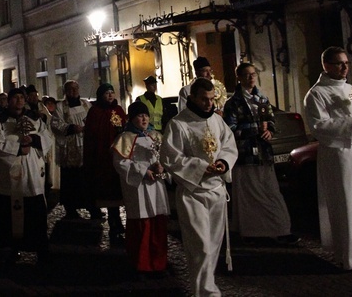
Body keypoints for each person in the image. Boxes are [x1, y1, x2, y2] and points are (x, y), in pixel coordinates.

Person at [303, 46, 352, 272]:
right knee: (346, 204)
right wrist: (350, 124)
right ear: (326, 65)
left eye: (346, 62)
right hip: (339, 153)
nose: (345, 67)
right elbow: (318, 126)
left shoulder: (350, 87)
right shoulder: (317, 93)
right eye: (339, 63)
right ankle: (349, 258)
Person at [161, 77, 238, 296]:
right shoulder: (178, 124)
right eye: (204, 99)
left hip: (216, 191)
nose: (209, 104)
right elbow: (170, 158)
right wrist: (202, 167)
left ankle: (206, 288)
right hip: (192, 193)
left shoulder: (217, 121)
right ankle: (203, 291)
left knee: (213, 246)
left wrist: (223, 163)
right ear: (192, 97)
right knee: (200, 247)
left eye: (212, 99)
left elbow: (228, 146)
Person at [223, 62, 298, 244]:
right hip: (246, 154)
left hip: (264, 153)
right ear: (239, 78)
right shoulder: (233, 103)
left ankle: (279, 228)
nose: (251, 77)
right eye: (247, 75)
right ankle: (252, 231)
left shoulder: (262, 98)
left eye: (253, 74)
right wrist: (254, 130)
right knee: (249, 194)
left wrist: (269, 130)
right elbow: (230, 128)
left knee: (271, 191)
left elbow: (270, 119)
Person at [0, 88, 53, 262]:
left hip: (31, 173)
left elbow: (47, 136)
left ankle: (40, 249)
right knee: (9, 215)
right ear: (8, 101)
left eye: (21, 98)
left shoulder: (35, 118)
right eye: (15, 98)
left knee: (35, 213)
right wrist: (18, 146)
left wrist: (34, 140)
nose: (19, 101)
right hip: (9, 175)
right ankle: (11, 249)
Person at [112, 101, 170, 278]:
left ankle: (159, 262)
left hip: (157, 186)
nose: (144, 118)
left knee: (158, 222)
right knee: (142, 224)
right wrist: (143, 171)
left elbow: (167, 156)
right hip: (139, 187)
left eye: (145, 115)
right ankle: (142, 264)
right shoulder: (125, 138)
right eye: (139, 115)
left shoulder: (155, 135)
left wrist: (163, 168)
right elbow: (120, 162)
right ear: (132, 118)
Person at [84, 83, 127, 234]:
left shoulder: (119, 110)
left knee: (117, 189)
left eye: (112, 92)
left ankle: (117, 219)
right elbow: (90, 136)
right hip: (102, 158)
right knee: (106, 189)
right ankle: (112, 219)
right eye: (107, 93)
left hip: (117, 156)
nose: (110, 95)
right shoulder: (95, 112)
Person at [49, 80, 92, 219]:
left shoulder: (86, 104)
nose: (73, 92)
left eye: (75, 89)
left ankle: (90, 205)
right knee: (71, 179)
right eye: (70, 89)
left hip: (85, 145)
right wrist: (71, 128)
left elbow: (92, 119)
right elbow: (55, 123)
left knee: (86, 178)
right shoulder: (61, 106)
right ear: (65, 92)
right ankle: (71, 207)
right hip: (70, 147)